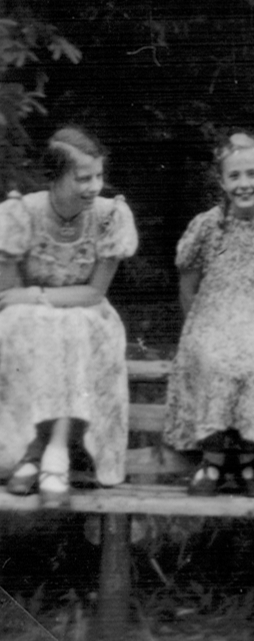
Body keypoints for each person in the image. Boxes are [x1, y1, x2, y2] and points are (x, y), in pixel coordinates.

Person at [163, 131, 254, 497]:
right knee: (212, 358)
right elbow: (188, 285)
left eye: (251, 174)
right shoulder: (207, 227)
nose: (244, 184)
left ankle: (250, 461)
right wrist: (196, 330)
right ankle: (211, 461)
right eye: (235, 176)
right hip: (211, 314)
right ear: (222, 181)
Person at [0, 125, 138, 507]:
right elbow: (9, 299)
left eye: (98, 176)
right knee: (19, 327)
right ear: (56, 177)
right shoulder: (21, 213)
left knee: (75, 326)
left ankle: (56, 451)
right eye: (83, 178)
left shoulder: (109, 216)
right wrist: (33, 301)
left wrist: (39, 294)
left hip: (87, 314)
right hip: (33, 322)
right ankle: (28, 449)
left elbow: (94, 293)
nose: (95, 186)